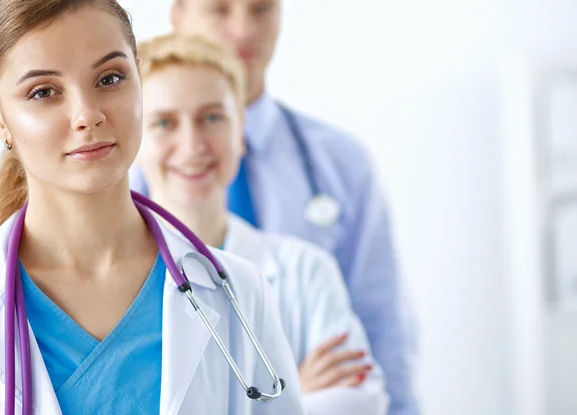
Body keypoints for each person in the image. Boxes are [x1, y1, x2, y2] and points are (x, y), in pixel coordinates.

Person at [0, 1, 305, 414]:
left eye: (109, 78)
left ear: (139, 78)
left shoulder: (236, 292)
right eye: (44, 92)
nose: (87, 115)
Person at [129, 1, 419, 413]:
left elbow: (379, 340)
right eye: (219, 9)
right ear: (179, 16)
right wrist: (292, 400)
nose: (244, 29)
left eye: (261, 8)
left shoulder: (336, 175)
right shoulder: (123, 186)